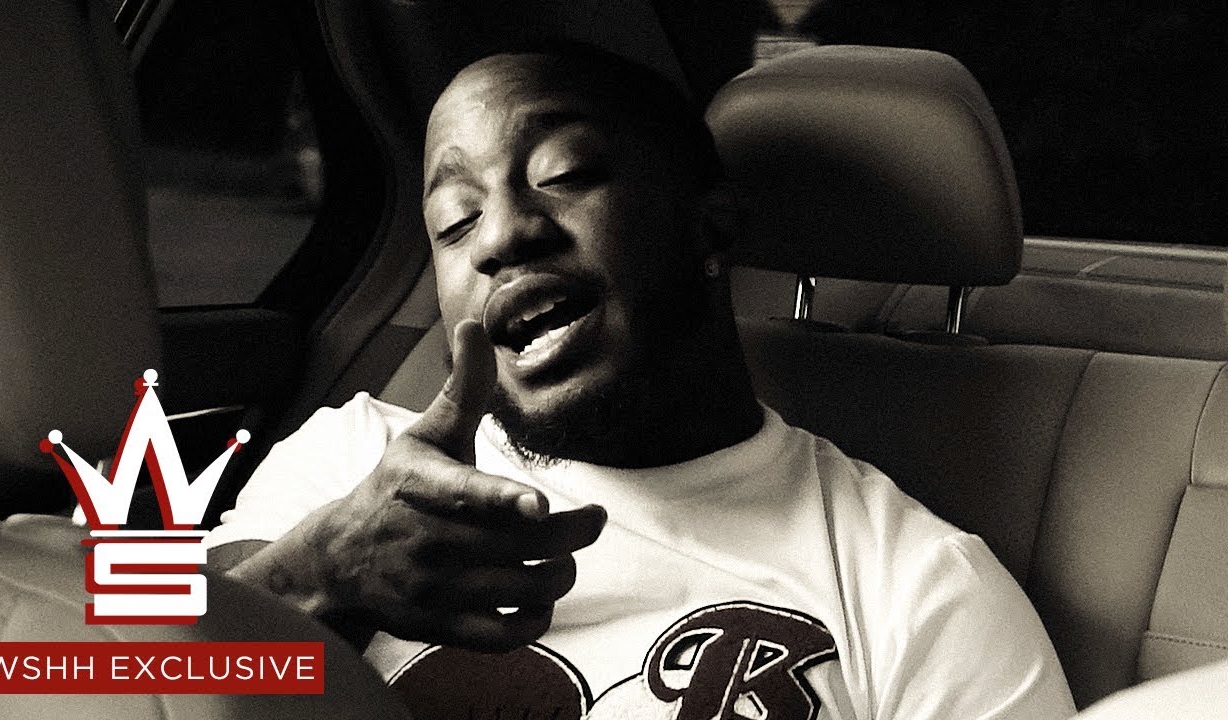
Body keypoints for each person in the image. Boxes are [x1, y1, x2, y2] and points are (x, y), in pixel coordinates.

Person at [205, 43, 1076, 719]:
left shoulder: (919, 589)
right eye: (455, 219)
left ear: (710, 230)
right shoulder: (346, 461)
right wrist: (320, 574)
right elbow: (129, 674)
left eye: (564, 175)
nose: (499, 236)